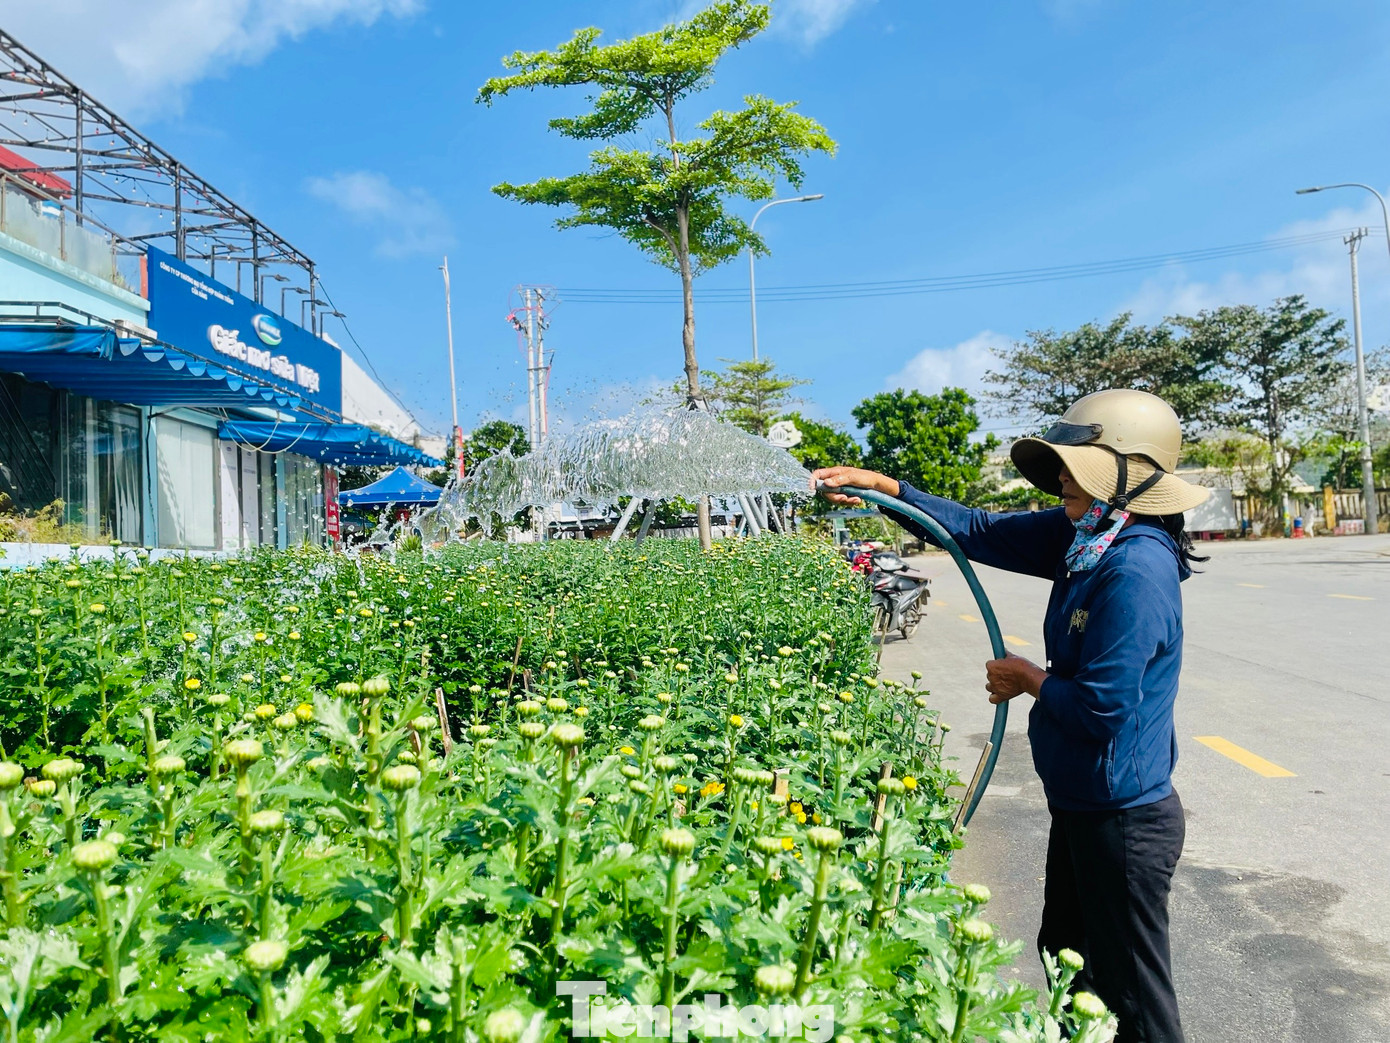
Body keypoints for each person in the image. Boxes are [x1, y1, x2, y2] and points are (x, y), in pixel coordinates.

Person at [815, 388, 1210, 1043]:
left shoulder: (1134, 567)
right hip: (1083, 804)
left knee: (1133, 1000)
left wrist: (1028, 677)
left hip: (1122, 821)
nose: (1061, 478)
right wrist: (887, 489)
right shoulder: (1087, 535)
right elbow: (976, 530)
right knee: (1068, 963)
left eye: (1077, 466)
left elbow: (1103, 709)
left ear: (1128, 479)